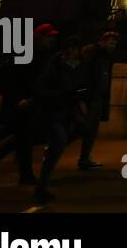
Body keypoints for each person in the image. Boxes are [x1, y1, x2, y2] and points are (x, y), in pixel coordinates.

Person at [0, 22, 59, 185]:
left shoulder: (41, 56)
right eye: (48, 37)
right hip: (19, 106)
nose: (50, 41)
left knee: (20, 140)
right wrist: (18, 99)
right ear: (39, 38)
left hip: (29, 105)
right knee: (22, 140)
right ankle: (20, 173)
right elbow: (5, 82)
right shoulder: (25, 56)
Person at [33, 37, 88, 203]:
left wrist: (79, 98)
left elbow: (80, 86)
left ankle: (43, 184)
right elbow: (40, 90)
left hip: (67, 112)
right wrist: (63, 94)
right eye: (69, 48)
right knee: (59, 141)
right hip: (51, 112)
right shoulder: (55, 67)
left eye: (74, 48)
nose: (72, 52)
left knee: (71, 136)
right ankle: (42, 187)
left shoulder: (78, 68)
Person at [78, 29, 119, 170]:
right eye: (111, 42)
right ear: (102, 41)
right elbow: (87, 76)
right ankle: (84, 158)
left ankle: (85, 157)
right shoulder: (96, 55)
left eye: (114, 43)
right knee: (87, 128)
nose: (113, 45)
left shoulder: (104, 56)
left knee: (90, 128)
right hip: (92, 96)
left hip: (97, 96)